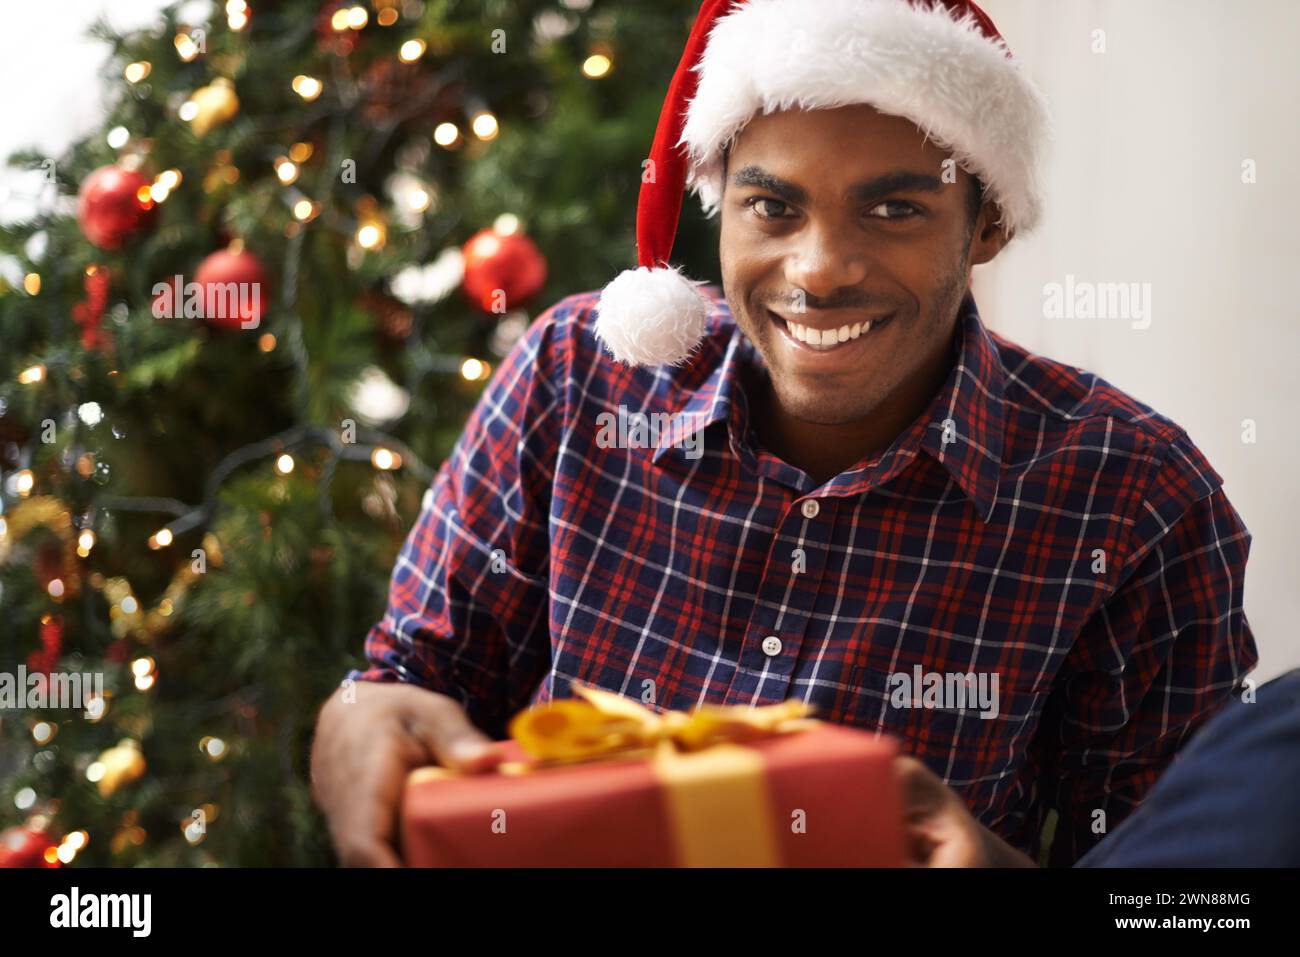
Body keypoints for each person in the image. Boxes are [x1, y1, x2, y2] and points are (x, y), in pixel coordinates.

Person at [310, 0, 1258, 868]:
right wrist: (357, 723)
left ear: (986, 226)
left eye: (895, 210)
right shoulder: (576, 372)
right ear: (722, 206)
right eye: (773, 207)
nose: (821, 269)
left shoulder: (1136, 497)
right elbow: (402, 681)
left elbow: (1191, 891)